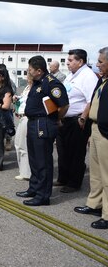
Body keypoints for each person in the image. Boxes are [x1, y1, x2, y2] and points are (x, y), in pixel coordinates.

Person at [16, 55, 69, 206]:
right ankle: (34, 188)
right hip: (33, 122)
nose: (28, 71)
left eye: (30, 69)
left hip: (43, 123)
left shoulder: (51, 83)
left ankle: (43, 196)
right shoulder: (38, 82)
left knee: (43, 161)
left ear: (39, 70)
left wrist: (56, 119)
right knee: (34, 159)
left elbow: (64, 105)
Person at [55, 49, 98, 193]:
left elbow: (91, 100)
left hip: (77, 120)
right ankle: (63, 178)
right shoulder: (71, 76)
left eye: (71, 60)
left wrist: (83, 118)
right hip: (65, 119)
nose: (67, 63)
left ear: (80, 62)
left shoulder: (88, 76)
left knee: (76, 153)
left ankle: (74, 182)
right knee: (63, 151)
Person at [74, 47, 108, 229]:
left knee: (107, 175)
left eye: (101, 61)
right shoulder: (102, 80)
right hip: (95, 129)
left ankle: (107, 215)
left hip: (105, 133)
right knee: (95, 172)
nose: (97, 64)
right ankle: (95, 204)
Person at [13, 75, 32, 180]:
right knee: (18, 144)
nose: (26, 76)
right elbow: (23, 98)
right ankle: (23, 170)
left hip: (26, 117)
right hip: (21, 116)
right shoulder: (27, 87)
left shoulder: (35, 87)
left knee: (23, 145)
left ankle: (26, 173)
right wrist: (17, 98)